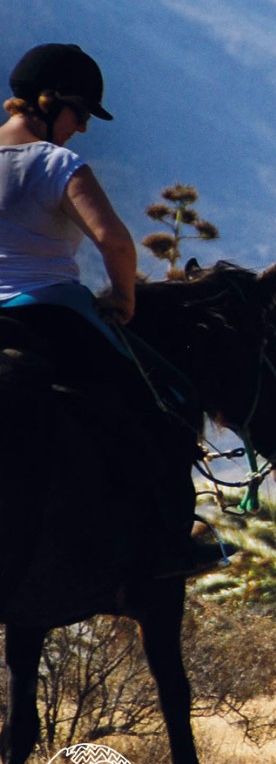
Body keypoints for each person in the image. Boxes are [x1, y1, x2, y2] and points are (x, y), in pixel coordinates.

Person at [0, 42, 223, 577]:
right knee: (162, 398)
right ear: (50, 103)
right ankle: (171, 538)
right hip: (48, 308)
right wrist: (122, 297)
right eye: (79, 114)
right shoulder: (58, 164)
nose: (81, 129)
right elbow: (116, 244)